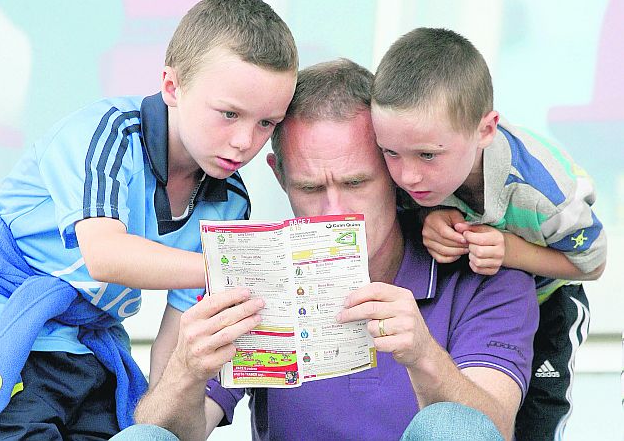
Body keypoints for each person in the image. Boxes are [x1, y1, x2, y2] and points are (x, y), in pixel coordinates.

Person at [114, 59, 539, 441]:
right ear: (280, 177)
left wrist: (425, 356)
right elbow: (172, 432)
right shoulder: (254, 272)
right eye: (311, 188)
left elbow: (491, 429)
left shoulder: (482, 269)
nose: (334, 211)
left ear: (395, 169)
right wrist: (186, 371)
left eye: (355, 183)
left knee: (452, 427)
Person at [0, 0, 297, 440]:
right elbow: (105, 255)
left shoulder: (229, 200)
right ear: (172, 87)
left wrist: (165, 409)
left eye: (266, 123)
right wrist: (231, 267)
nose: (244, 142)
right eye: (229, 114)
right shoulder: (108, 134)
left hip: (89, 351)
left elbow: (173, 347)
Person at [370, 27, 607, 441]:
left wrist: (512, 251)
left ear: (486, 129)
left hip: (551, 303)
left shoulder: (543, 190)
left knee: (534, 424)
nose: (407, 175)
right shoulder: (418, 159)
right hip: (476, 301)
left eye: (428, 155)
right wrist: (432, 218)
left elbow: (593, 262)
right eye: (391, 153)